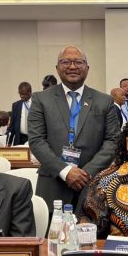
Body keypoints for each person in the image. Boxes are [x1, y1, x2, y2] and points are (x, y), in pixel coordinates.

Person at [28, 46, 120, 212]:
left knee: (92, 229)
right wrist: (65, 171)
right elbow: (36, 141)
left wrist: (86, 173)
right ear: (57, 68)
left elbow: (113, 141)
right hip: (53, 186)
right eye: (66, 62)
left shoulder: (104, 101)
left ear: (87, 68)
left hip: (93, 186)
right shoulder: (40, 99)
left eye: (78, 62)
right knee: (53, 229)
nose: (72, 66)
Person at [8, 81, 32, 146]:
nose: (21, 96)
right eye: (20, 94)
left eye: (23, 94)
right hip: (20, 139)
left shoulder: (37, 103)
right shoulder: (16, 105)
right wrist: (9, 142)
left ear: (29, 93)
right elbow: (12, 125)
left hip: (34, 138)